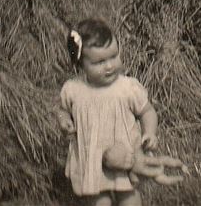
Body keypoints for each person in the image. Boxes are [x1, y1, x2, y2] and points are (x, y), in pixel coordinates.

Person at [57, 17, 159, 206]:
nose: (110, 66)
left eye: (113, 56)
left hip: (125, 156)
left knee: (129, 197)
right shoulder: (73, 90)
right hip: (92, 159)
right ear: (80, 65)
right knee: (98, 200)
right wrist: (64, 121)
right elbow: (63, 111)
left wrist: (150, 132)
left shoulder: (127, 88)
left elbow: (147, 111)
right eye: (99, 62)